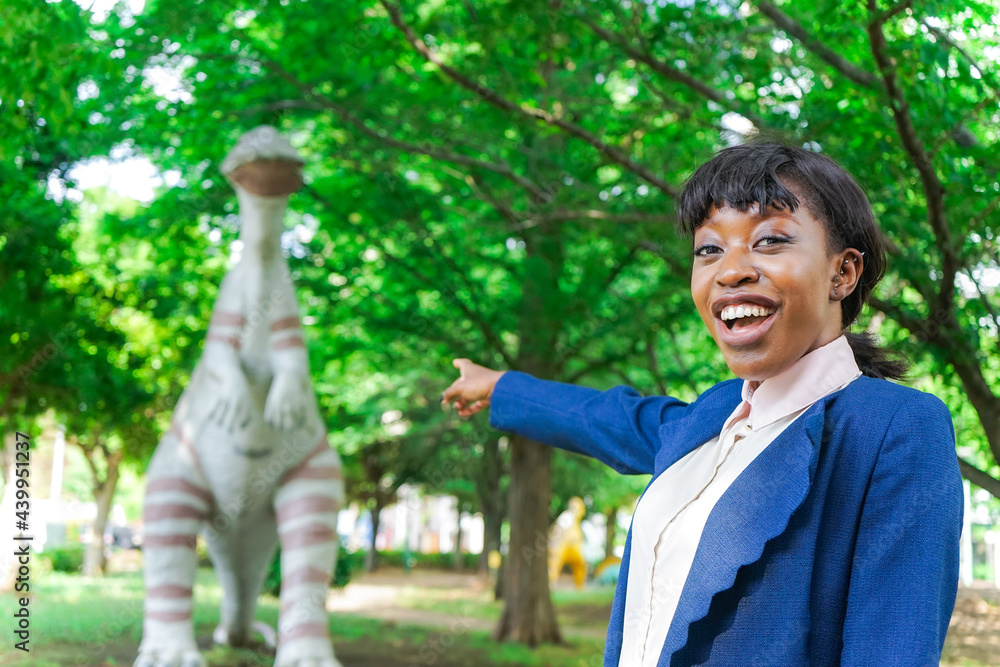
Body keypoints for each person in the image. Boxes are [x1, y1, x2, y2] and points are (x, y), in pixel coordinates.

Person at [440, 142, 963, 666]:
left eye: (770, 240)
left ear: (842, 273)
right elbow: (612, 420)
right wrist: (501, 387)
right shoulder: (717, 414)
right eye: (709, 249)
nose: (730, 270)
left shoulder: (895, 427)